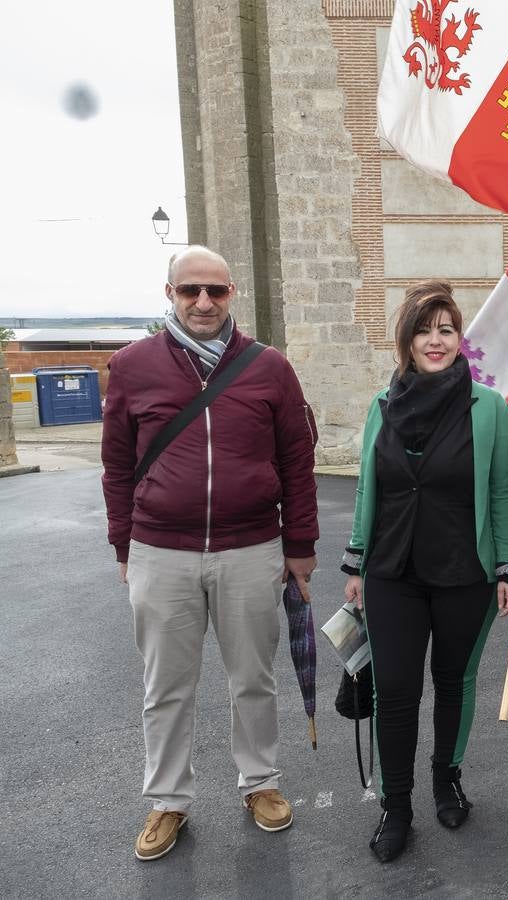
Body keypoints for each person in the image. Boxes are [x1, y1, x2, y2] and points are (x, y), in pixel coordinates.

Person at [102, 246, 318, 861]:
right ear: (168, 293)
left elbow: (297, 463)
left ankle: (261, 783)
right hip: (159, 551)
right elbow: (116, 466)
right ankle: (168, 799)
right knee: (166, 684)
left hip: (252, 546)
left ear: (232, 293)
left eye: (215, 291)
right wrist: (124, 542)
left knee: (253, 676)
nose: (203, 302)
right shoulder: (132, 365)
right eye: (190, 290)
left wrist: (300, 546)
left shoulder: (269, 367)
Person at [341, 281, 508, 863]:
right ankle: (397, 805)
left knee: (454, 683)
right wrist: (354, 561)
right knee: (395, 691)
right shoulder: (381, 404)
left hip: (463, 571)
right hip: (391, 571)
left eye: (447, 329)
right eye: (425, 329)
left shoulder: (487, 406)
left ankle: (447, 778)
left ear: (459, 339)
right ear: (407, 340)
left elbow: (500, 489)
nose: (436, 340)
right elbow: (370, 485)